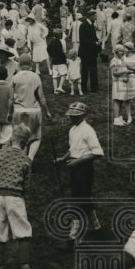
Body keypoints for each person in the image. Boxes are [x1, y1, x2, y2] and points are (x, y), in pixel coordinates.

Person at [0, 123, 38, 269]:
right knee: (22, 230)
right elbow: (26, 185)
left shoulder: (1, 153)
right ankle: (25, 267)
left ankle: (0, 268)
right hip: (14, 196)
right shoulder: (25, 160)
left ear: (12, 138)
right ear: (24, 143)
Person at [56, 101, 104, 241]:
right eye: (71, 115)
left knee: (79, 199)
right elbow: (73, 148)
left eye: (75, 115)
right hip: (75, 167)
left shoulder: (88, 130)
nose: (72, 118)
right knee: (82, 197)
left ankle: (76, 232)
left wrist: (77, 162)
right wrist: (63, 158)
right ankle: (96, 225)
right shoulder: (72, 130)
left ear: (83, 115)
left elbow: (98, 152)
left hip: (84, 168)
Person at [10, 53, 50, 160]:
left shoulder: (15, 77)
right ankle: (30, 158)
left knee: (20, 136)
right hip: (34, 110)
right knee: (36, 137)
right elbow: (41, 97)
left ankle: (21, 159)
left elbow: (11, 98)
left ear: (19, 64)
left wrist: (9, 113)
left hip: (18, 110)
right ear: (31, 64)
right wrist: (47, 111)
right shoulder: (36, 77)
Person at [78, 11, 100, 93]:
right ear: (90, 16)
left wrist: (98, 40)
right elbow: (83, 40)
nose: (96, 17)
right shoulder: (83, 25)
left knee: (93, 70)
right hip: (85, 52)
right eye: (95, 16)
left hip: (92, 52)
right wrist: (94, 43)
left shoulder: (91, 25)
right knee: (85, 70)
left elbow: (93, 37)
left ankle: (94, 88)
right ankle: (84, 88)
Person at [47, 28, 67, 94]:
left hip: (54, 61)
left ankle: (55, 90)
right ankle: (60, 87)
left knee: (55, 76)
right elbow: (61, 52)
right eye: (61, 34)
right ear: (58, 35)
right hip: (60, 61)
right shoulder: (59, 42)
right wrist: (65, 59)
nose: (62, 35)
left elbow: (48, 48)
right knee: (64, 74)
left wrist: (51, 55)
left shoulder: (52, 41)